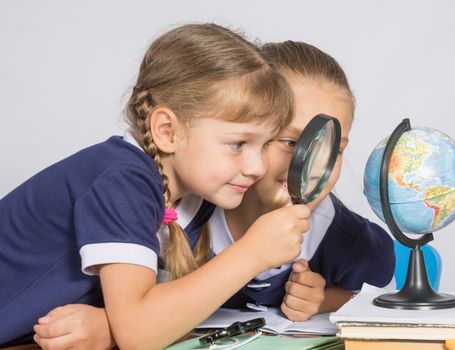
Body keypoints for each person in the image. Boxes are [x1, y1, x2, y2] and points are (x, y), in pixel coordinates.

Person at [0, 24, 311, 350]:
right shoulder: (122, 181)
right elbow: (139, 333)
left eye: (263, 146)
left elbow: (176, 304)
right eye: (237, 144)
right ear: (167, 131)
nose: (257, 167)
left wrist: (110, 325)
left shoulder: (198, 193)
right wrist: (251, 253)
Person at [209, 41, 395, 321]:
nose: (314, 168)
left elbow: (382, 302)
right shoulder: (183, 216)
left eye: (335, 148)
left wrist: (325, 300)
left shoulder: (352, 242)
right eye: (290, 141)